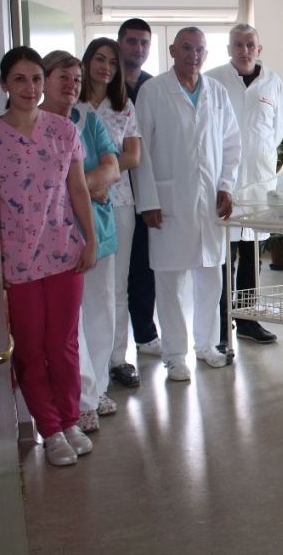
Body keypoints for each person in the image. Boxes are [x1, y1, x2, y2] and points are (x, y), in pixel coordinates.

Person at [0, 46, 96, 466]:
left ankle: (70, 421)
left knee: (64, 344)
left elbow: (78, 189)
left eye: (36, 79)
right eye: (19, 79)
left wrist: (90, 239)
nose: (30, 87)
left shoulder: (63, 130)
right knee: (31, 349)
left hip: (63, 251)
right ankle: (49, 430)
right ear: (4, 84)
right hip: (17, 260)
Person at [132, 27, 242, 381]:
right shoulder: (153, 91)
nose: (193, 55)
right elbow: (139, 149)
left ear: (206, 54)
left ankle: (206, 345)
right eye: (186, 48)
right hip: (168, 201)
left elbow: (232, 144)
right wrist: (148, 200)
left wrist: (226, 186)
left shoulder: (217, 92)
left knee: (211, 276)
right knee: (171, 283)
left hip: (210, 202)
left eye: (199, 49)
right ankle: (175, 355)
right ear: (172, 51)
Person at [40, 50, 121, 434]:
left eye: (76, 79)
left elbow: (113, 168)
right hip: (55, 239)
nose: (72, 85)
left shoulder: (88, 119)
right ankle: (82, 397)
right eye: (63, 77)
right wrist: (90, 187)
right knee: (69, 322)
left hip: (97, 232)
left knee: (101, 312)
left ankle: (96, 387)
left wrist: (77, 188)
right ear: (44, 80)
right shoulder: (33, 124)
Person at [206, 23, 283, 347]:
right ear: (229, 49)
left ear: (259, 49)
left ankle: (248, 320)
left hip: (258, 181)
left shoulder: (273, 82)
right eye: (238, 45)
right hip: (224, 181)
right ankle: (221, 325)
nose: (244, 50)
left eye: (250, 44)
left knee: (252, 254)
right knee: (224, 257)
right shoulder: (213, 80)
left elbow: (277, 130)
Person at [78, 38, 142, 391]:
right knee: (86, 288)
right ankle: (87, 363)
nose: (106, 67)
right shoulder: (72, 102)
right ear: (87, 61)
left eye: (112, 63)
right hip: (78, 204)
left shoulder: (123, 106)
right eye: (100, 59)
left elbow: (134, 155)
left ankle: (116, 358)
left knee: (117, 286)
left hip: (118, 204)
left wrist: (101, 172)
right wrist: (93, 177)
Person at [118, 18, 163, 362]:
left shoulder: (153, 86)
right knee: (117, 274)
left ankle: (145, 335)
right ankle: (113, 350)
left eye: (144, 42)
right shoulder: (106, 84)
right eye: (132, 41)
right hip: (114, 189)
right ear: (120, 43)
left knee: (145, 266)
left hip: (146, 188)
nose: (138, 48)